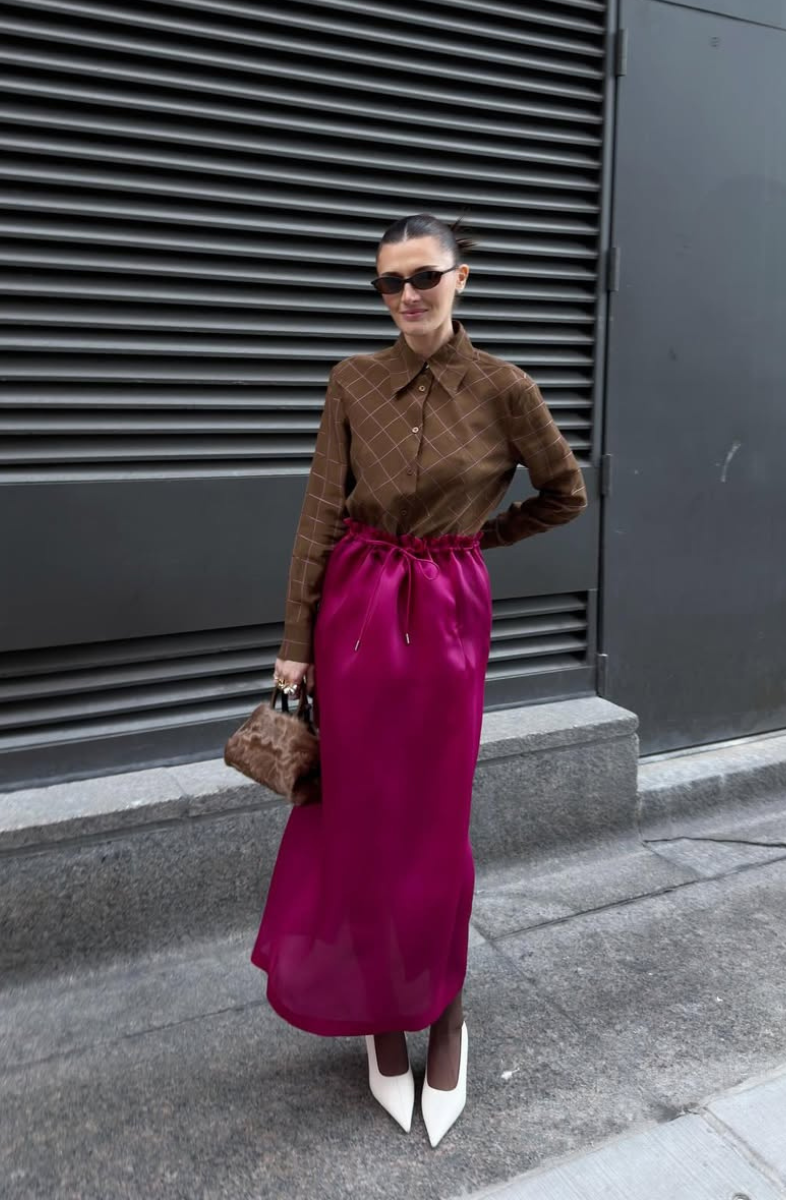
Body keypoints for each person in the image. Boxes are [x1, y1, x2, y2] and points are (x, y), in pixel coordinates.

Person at [250, 212, 587, 1146]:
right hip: (354, 615)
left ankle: (444, 1010)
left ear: (461, 279)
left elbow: (566, 491)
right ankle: (380, 1017)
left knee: (436, 826)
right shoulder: (352, 381)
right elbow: (319, 512)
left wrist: (476, 543)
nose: (406, 297)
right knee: (359, 817)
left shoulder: (505, 388)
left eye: (423, 278)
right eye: (388, 283)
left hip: (445, 622)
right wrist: (295, 642)